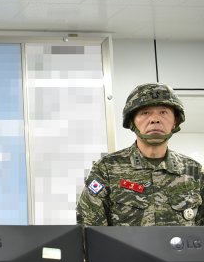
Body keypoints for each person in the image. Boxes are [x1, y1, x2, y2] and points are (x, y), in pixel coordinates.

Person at [77, 82, 203, 226]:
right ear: (132, 122)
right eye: (145, 113)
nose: (155, 119)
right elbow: (88, 228)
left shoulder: (194, 171)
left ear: (175, 121)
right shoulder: (106, 168)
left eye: (163, 112)